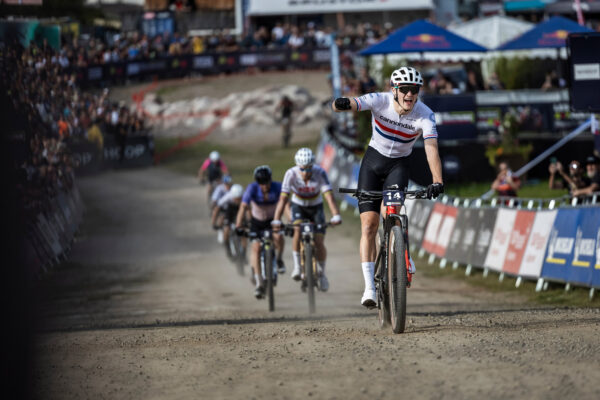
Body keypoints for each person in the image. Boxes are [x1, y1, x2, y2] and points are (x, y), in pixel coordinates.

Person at [331, 66, 444, 308]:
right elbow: (355, 103)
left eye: (414, 89)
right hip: (372, 163)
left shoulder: (425, 115)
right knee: (369, 225)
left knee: (393, 210)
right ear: (394, 90)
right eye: (404, 89)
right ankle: (369, 288)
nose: (410, 94)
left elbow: (431, 148)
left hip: (398, 166)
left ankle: (403, 253)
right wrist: (340, 103)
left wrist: (437, 180)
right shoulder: (379, 101)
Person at [271, 148, 342, 292]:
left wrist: (336, 215)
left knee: (319, 240)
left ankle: (322, 275)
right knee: (297, 230)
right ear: (298, 166)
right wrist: (276, 219)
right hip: (298, 206)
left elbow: (329, 196)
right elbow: (283, 199)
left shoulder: (320, 172)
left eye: (309, 168)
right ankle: (297, 267)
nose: (306, 173)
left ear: (313, 166)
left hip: (316, 207)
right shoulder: (290, 174)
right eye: (302, 169)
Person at [235, 165, 286, 299]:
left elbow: (286, 205)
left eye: (266, 182)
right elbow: (243, 206)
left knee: (279, 237)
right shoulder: (252, 188)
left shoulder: (278, 187)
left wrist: (291, 220)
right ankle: (259, 283)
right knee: (256, 249)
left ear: (271, 180)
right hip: (256, 223)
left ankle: (279, 259)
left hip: (272, 221)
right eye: (261, 184)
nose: (264, 186)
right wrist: (238, 224)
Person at [216, 183, 247, 259]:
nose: (237, 201)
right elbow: (217, 208)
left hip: (240, 211)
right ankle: (228, 249)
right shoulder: (227, 197)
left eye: (239, 199)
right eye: (236, 199)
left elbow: (249, 210)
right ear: (232, 197)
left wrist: (249, 221)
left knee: (243, 232)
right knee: (226, 230)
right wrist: (216, 221)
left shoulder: (245, 197)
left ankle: (244, 252)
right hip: (229, 212)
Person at [210, 175, 233, 243]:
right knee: (221, 216)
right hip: (221, 206)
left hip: (231, 207)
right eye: (227, 184)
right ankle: (218, 228)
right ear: (224, 183)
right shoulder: (219, 188)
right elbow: (214, 199)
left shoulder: (233, 188)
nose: (228, 185)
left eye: (229, 184)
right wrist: (213, 207)